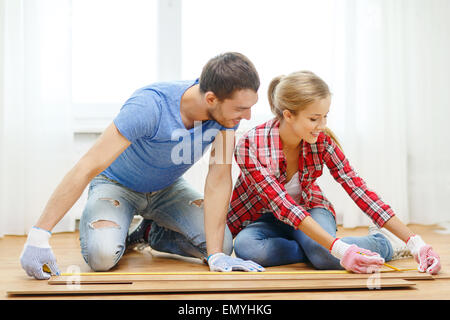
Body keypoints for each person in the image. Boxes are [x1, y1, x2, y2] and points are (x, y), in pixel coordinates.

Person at [20, 52, 265, 280]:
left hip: (166, 189)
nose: (247, 117)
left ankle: (149, 233)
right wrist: (39, 236)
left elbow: (219, 178)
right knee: (102, 257)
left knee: (222, 244)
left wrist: (215, 256)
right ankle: (112, 224)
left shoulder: (225, 118)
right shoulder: (149, 106)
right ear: (211, 98)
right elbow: (87, 165)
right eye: (241, 108)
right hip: (116, 185)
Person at [227, 71, 441, 274]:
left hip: (311, 209)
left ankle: (382, 243)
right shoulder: (250, 145)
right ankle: (315, 248)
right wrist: (337, 249)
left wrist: (415, 242)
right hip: (265, 217)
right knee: (248, 248)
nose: (322, 125)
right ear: (288, 115)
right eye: (314, 119)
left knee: (324, 254)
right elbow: (282, 204)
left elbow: (358, 189)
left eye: (325, 116)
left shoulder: (322, 142)